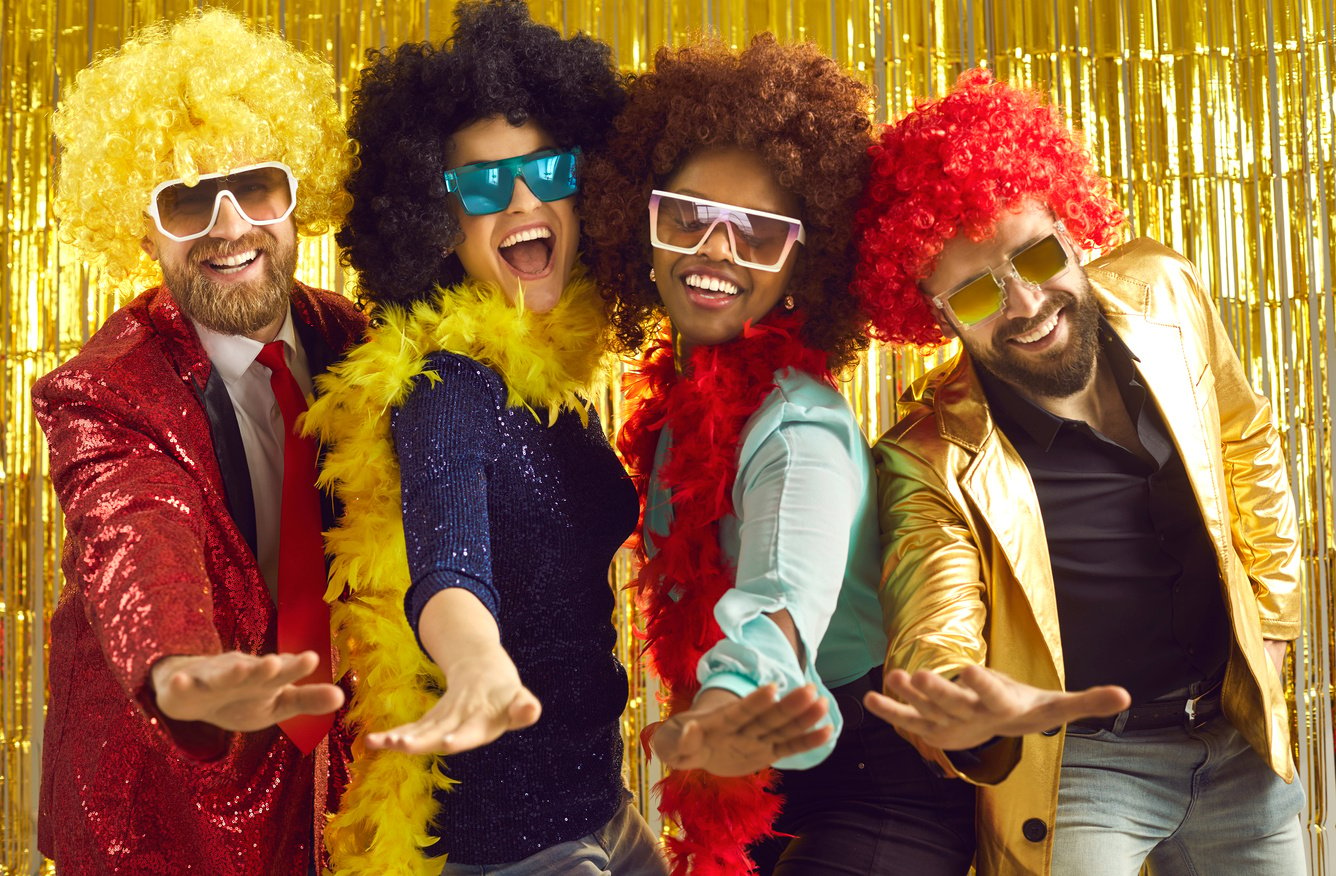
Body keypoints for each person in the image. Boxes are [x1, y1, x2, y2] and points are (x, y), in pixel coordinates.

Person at [852, 69, 1304, 875]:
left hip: (1236, 737)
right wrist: (958, 704)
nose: (1026, 303)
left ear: (1070, 225)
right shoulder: (928, 454)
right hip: (1084, 769)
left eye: (1035, 253)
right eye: (980, 293)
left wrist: (1270, 627)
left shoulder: (1167, 292)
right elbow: (934, 614)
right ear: (936, 314)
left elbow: (1244, 436)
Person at [580, 36, 975, 876]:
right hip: (764, 796)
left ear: (807, 259)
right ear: (639, 229)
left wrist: (728, 707)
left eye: (758, 233)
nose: (717, 250)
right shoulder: (678, 413)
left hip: (879, 794)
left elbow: (779, 601)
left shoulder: (800, 433)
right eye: (687, 216)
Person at [302, 3, 667, 874]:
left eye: (547, 168)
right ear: (437, 225)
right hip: (521, 852)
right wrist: (476, 666)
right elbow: (447, 554)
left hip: (604, 816)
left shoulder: (543, 371)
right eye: (482, 185)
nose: (524, 199)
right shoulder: (448, 388)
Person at [32, 10, 364, 874]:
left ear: (299, 201)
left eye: (256, 187)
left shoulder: (357, 345)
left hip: (332, 807)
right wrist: (177, 666)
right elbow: (134, 527)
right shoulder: (105, 390)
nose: (228, 228)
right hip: (156, 822)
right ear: (142, 232)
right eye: (185, 200)